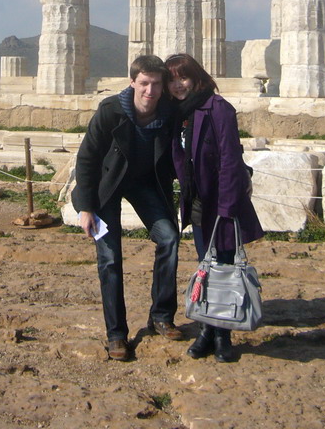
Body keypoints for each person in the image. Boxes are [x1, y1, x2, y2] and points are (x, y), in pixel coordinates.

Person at [73, 54, 185, 361]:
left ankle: (161, 316)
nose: (150, 90)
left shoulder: (169, 111)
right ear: (133, 82)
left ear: (162, 86)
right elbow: (87, 159)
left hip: (145, 184)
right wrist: (86, 208)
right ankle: (117, 335)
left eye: (156, 84)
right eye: (144, 83)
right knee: (109, 258)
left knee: (169, 238)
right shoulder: (110, 111)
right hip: (106, 188)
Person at [165, 53, 264, 363]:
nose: (178, 84)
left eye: (183, 77)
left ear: (197, 78)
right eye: (172, 79)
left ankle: (223, 335)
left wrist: (227, 208)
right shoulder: (178, 113)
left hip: (220, 203)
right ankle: (207, 330)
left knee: (224, 266)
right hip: (196, 201)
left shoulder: (218, 108)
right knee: (206, 266)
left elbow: (230, 160)